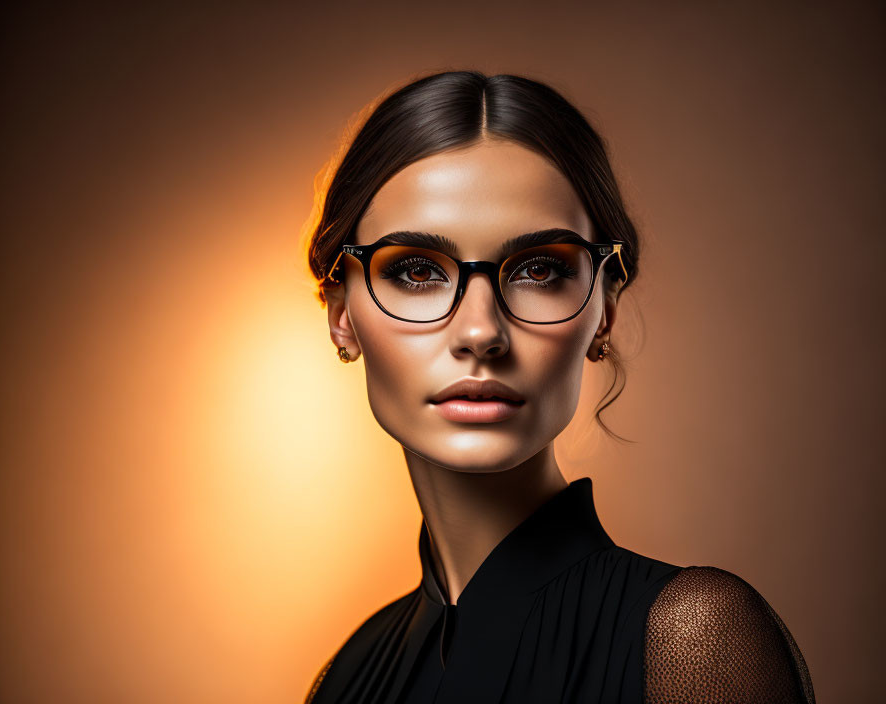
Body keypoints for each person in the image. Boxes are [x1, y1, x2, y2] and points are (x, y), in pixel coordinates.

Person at [301, 70, 815, 704]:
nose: (482, 331)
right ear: (341, 315)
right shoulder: (352, 675)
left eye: (539, 270)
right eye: (416, 270)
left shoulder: (688, 639)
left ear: (604, 312)